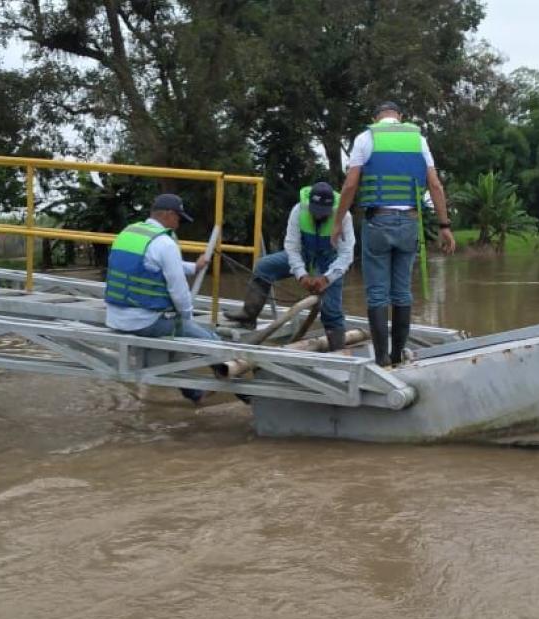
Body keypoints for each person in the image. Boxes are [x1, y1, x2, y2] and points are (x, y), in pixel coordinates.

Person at [333, 101, 455, 367]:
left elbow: (351, 183)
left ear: (376, 117)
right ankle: (399, 356)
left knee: (377, 294)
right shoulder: (418, 140)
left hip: (378, 221)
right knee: (402, 293)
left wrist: (338, 221)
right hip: (410, 223)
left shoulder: (366, 138)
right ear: (399, 116)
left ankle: (381, 359)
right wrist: (444, 226)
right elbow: (434, 184)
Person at [104, 193, 222, 403]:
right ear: (168, 215)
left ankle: (195, 395)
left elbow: (146, 267)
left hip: (115, 316)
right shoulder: (165, 243)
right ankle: (245, 391)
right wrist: (187, 318)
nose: (178, 224)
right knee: (211, 340)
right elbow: (179, 293)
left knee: (181, 339)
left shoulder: (128, 233)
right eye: (178, 218)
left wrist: (194, 267)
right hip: (145, 321)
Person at [223, 181, 356, 351]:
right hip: (304, 254)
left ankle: (338, 352)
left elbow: (346, 255)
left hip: (330, 260)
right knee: (264, 267)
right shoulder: (298, 210)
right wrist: (301, 274)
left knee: (331, 310)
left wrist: (327, 278)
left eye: (324, 213)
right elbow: (292, 247)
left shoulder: (344, 216)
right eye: (316, 212)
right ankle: (249, 315)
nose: (319, 216)